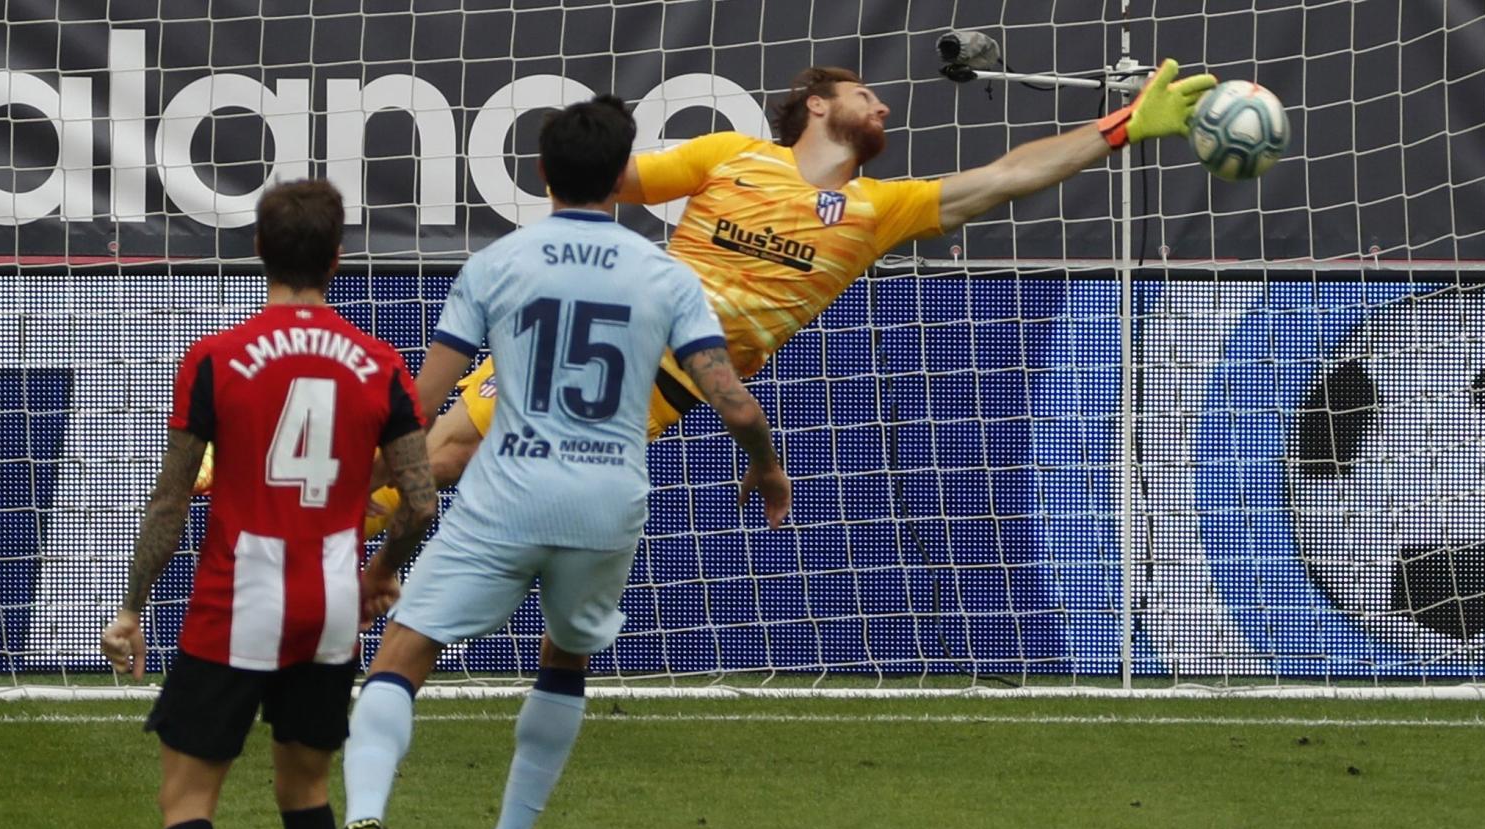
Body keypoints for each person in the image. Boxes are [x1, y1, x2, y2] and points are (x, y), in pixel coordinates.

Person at [360, 58, 1216, 533]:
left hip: (662, 381)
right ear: (814, 105)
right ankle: (284, 513)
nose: (882, 106)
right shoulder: (730, 153)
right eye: (863, 94)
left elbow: (1003, 177)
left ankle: (296, 537)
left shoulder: (883, 209)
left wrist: (1120, 128)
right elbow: (600, 180)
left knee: (449, 464)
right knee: (430, 452)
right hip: (591, 322)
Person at [332, 95, 791, 829]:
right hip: (605, 504)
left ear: (540, 173)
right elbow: (737, 404)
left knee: (404, 650)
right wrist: (765, 468)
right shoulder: (666, 276)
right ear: (625, 179)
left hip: (504, 494)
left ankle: (365, 821)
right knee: (565, 658)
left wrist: (382, 540)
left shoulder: (498, 264)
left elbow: (419, 404)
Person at [100, 179, 439, 829]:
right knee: (307, 793)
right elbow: (419, 503)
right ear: (338, 257)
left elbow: (171, 502)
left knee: (187, 799)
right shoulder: (381, 365)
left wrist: (131, 607)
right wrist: (381, 571)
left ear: (258, 249)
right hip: (327, 600)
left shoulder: (216, 359)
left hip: (235, 598)